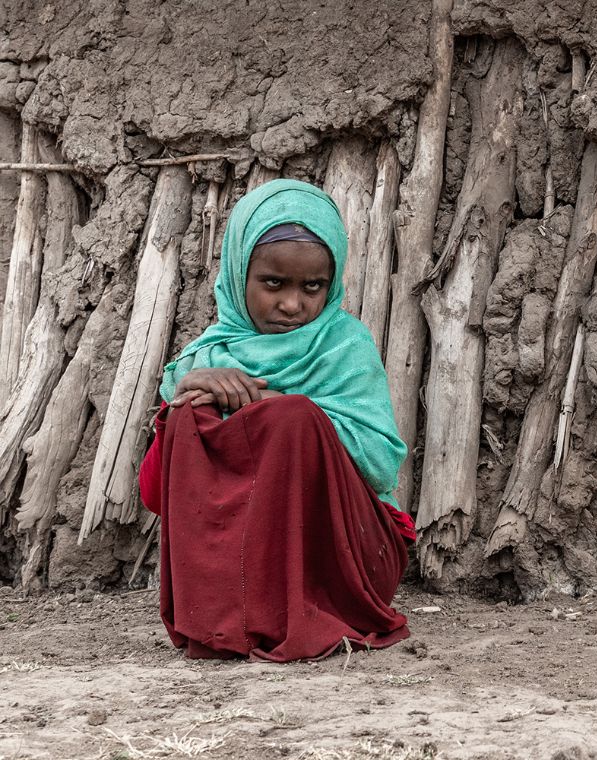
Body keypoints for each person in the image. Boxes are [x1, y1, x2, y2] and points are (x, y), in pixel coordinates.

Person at [138, 178, 414, 661]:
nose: (292, 304)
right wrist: (183, 401)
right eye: (273, 283)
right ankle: (225, 620)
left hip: (346, 561)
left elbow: (379, 464)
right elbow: (156, 494)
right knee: (192, 411)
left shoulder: (344, 346)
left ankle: (301, 613)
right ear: (239, 272)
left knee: (294, 417)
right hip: (242, 568)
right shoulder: (206, 359)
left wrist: (272, 410)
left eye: (313, 286)